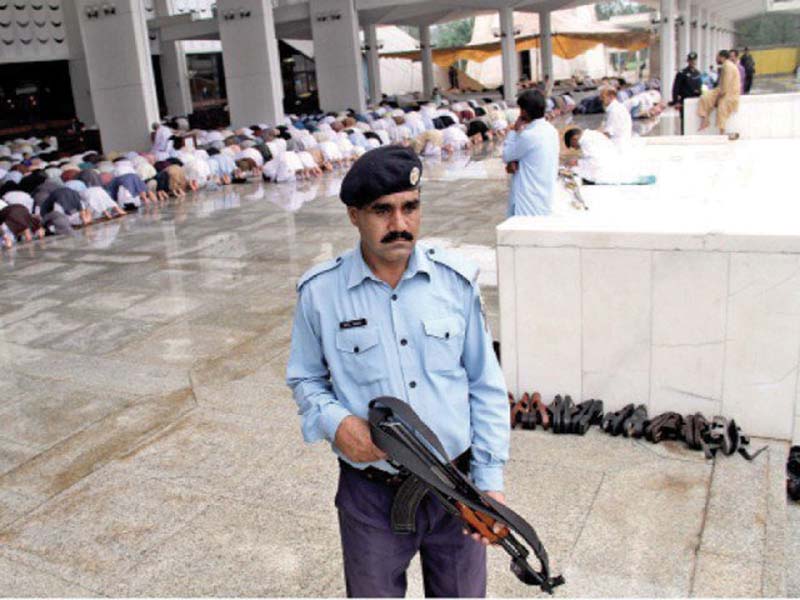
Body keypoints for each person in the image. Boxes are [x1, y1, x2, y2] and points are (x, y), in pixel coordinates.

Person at [286, 145, 509, 598]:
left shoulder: (455, 283)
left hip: (457, 488)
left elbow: (486, 385)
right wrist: (336, 421)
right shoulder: (321, 294)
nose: (400, 225)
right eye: (382, 211)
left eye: (410, 207)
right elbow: (306, 378)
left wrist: (490, 483)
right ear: (354, 216)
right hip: (372, 494)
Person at [502, 89, 559, 216]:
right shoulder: (551, 130)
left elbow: (506, 155)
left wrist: (514, 131)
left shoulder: (528, 135)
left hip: (528, 199)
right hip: (544, 195)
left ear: (524, 112)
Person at [698, 50, 741, 135]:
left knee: (721, 106)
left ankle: (722, 132)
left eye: (717, 57)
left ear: (722, 57)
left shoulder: (728, 67)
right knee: (705, 98)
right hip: (723, 90)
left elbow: (725, 87)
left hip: (730, 94)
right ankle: (705, 119)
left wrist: (718, 97)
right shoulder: (726, 66)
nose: (716, 59)